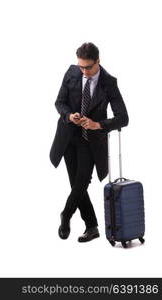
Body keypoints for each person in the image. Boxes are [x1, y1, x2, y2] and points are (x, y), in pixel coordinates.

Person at [49, 42, 129, 242]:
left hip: (90, 141)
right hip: (69, 137)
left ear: (98, 62)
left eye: (88, 67)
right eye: (81, 67)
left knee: (81, 181)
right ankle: (92, 226)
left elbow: (123, 118)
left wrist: (98, 125)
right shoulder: (72, 73)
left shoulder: (109, 83)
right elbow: (59, 102)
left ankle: (65, 215)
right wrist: (69, 115)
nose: (84, 71)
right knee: (77, 184)